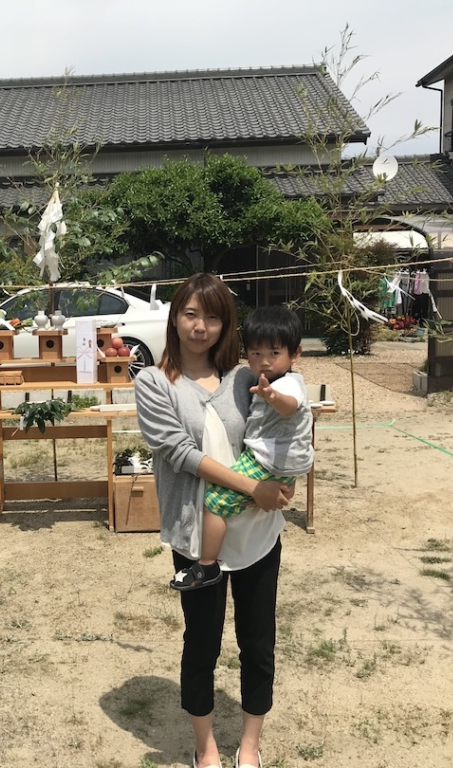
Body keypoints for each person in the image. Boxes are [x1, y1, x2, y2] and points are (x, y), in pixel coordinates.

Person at [134, 273, 292, 768]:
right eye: (191, 314)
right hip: (198, 533)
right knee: (201, 641)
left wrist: (283, 478)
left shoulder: (245, 378)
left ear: (227, 325)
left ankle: (249, 744)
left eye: (214, 316)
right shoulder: (153, 382)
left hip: (259, 532)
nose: (201, 326)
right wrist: (254, 489)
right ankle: (205, 746)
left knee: (258, 640)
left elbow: (279, 428)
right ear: (175, 317)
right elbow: (178, 453)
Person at [170, 305, 313, 591]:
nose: (263, 362)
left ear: (295, 354)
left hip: (266, 461)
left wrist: (272, 396)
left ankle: (207, 566)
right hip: (276, 462)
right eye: (255, 354)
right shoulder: (257, 379)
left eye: (274, 353)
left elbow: (290, 406)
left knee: (214, 503)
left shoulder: (288, 384)